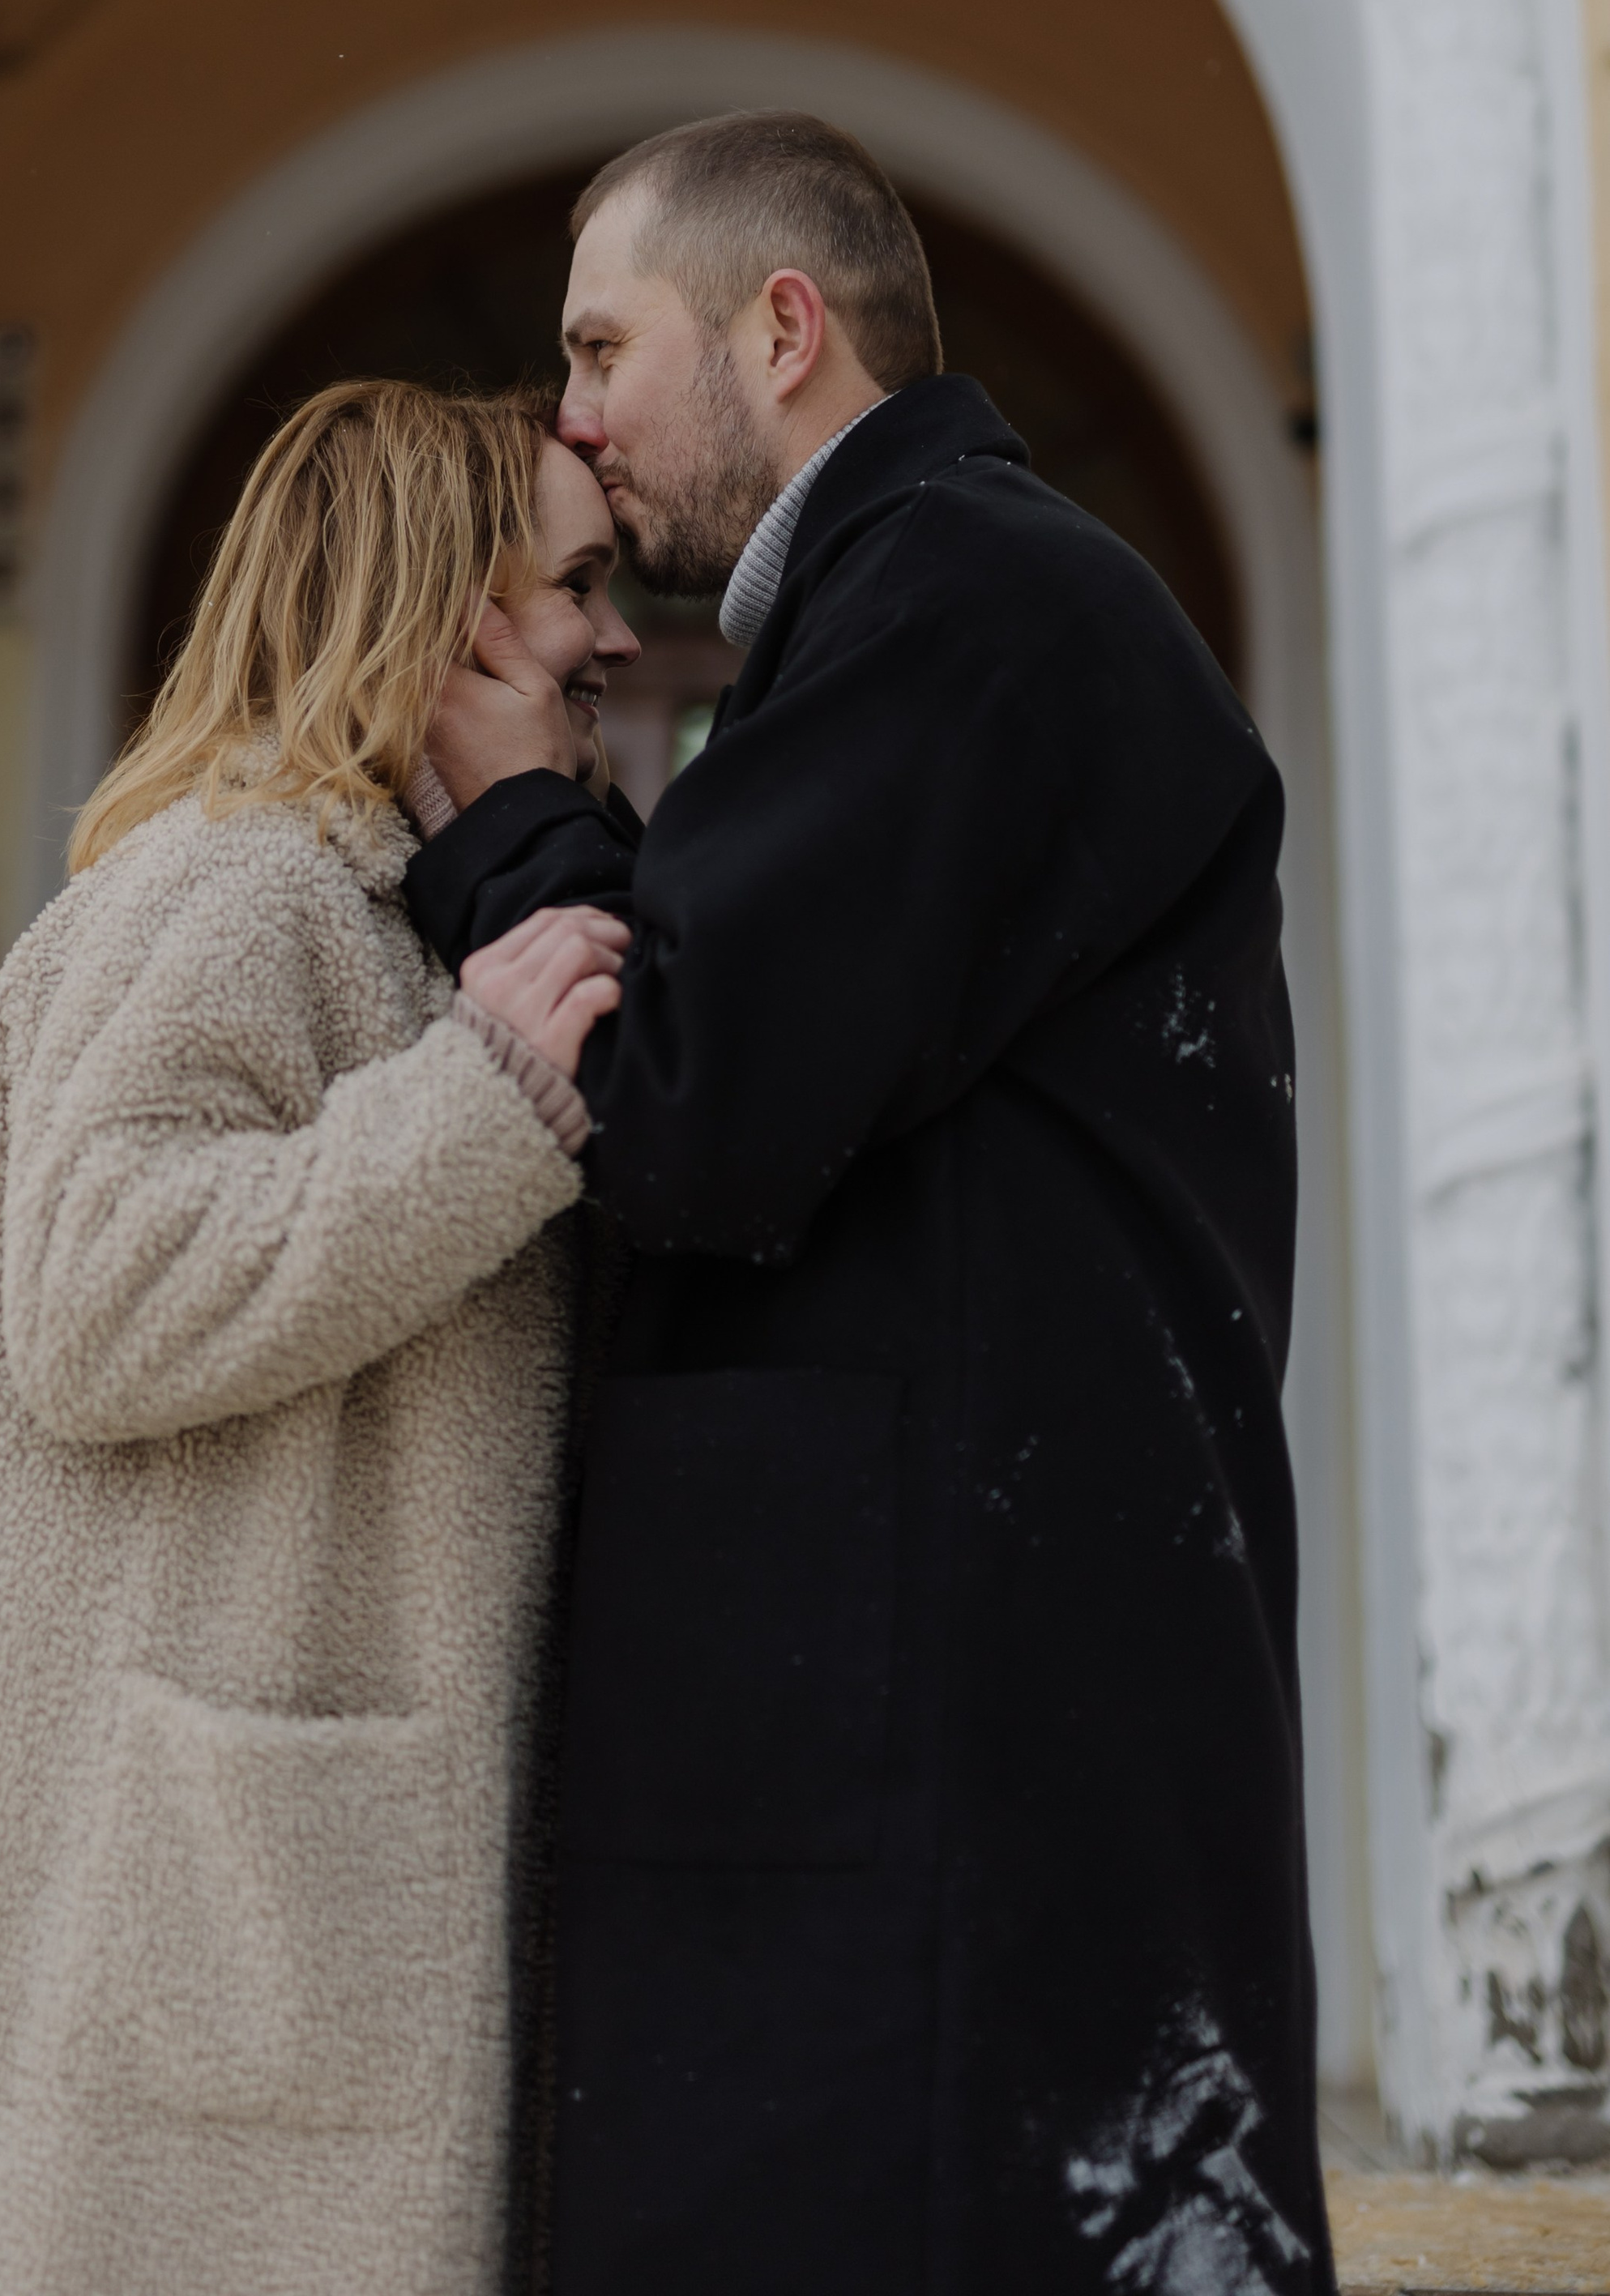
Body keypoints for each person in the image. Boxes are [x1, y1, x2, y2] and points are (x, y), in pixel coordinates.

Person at [406, 113, 1336, 2296]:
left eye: (605, 345)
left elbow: (687, 1097)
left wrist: (521, 820)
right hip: (931, 1724)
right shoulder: (904, 612)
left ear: (786, 329)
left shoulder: (966, 599)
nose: (575, 416)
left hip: (947, 1773)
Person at [0, 380, 640, 2296]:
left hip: (262, 1930)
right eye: (574, 582)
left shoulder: (394, 904)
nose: (611, 635)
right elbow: (98, 1294)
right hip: (202, 1946)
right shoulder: (237, 886)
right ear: (445, 607)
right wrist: (484, 1100)